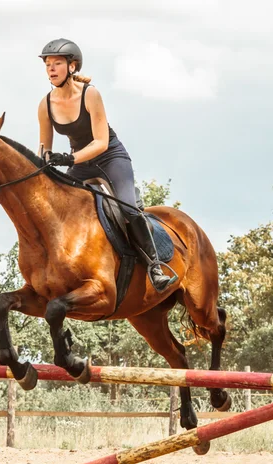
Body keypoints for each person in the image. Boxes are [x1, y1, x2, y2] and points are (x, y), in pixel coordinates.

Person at [37, 38, 175, 292]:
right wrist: (43, 166)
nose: (51, 69)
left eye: (57, 63)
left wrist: (68, 159)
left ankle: (156, 267)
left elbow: (100, 143)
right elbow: (44, 149)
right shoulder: (45, 105)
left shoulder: (91, 95)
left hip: (110, 157)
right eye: (47, 65)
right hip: (80, 164)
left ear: (73, 66)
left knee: (129, 210)